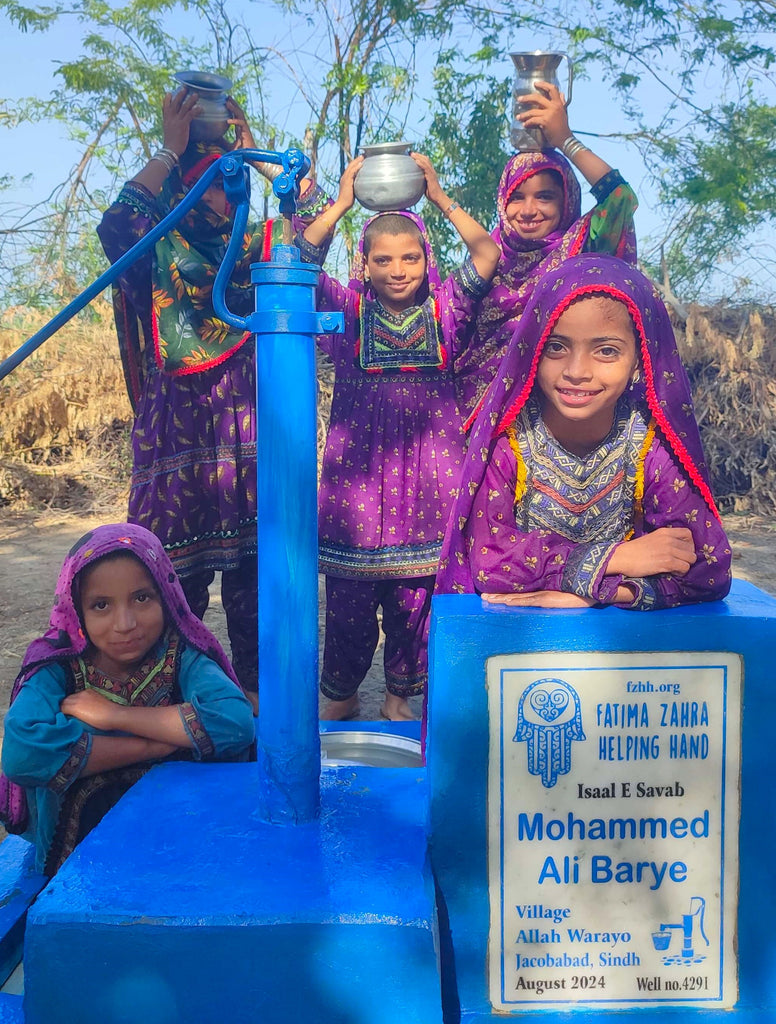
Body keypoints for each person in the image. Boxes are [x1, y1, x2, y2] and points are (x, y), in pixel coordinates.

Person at [97, 88, 330, 712]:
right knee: (170, 580)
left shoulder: (258, 253)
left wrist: (254, 155)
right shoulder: (153, 254)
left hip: (251, 435)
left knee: (258, 583)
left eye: (227, 184)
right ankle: (169, 710)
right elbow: (116, 227)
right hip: (176, 439)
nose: (217, 196)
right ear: (179, 189)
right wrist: (171, 152)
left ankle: (259, 710)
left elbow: (315, 225)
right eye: (202, 183)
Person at [299, 153, 500, 720]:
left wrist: (438, 195)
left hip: (427, 502)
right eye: (383, 259)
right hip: (356, 512)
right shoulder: (346, 316)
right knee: (349, 615)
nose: (398, 269)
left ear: (426, 258)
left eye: (410, 257)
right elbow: (304, 264)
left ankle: (397, 705)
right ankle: (338, 705)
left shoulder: (446, 313)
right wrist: (339, 204)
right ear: (364, 267)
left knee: (416, 614)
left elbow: (487, 253)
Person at [437, 254, 732, 609]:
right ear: (532, 349)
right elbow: (489, 560)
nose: (577, 371)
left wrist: (591, 594)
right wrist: (619, 558)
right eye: (556, 347)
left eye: (606, 351)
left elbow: (708, 567)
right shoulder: (509, 441)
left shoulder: (650, 443)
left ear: (641, 358)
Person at [1, 523, 255, 876]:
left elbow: (235, 722)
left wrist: (114, 717)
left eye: (141, 598)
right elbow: (22, 754)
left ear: (166, 596)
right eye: (101, 605)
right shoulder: (58, 665)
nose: (125, 623)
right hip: (81, 867)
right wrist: (157, 745)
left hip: (186, 848)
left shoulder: (181, 654)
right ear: (76, 609)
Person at [455, 80, 638, 421]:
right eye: (516, 197)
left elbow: (620, 199)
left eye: (545, 197)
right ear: (501, 201)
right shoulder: (488, 257)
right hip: (479, 423)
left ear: (567, 198)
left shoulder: (584, 251)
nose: (527, 211)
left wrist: (564, 139)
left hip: (564, 421)